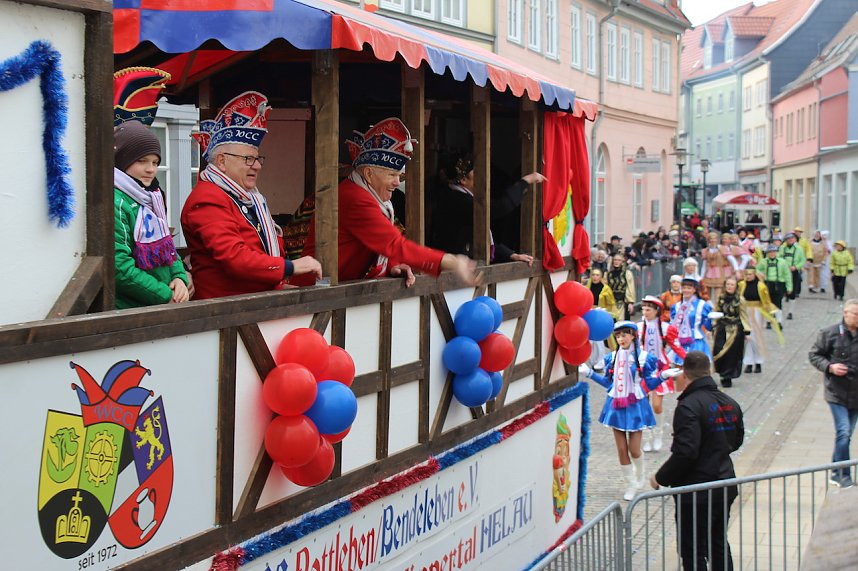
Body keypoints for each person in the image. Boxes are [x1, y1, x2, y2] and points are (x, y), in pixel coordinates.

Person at [298, 118, 478, 288]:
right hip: (313, 293)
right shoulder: (356, 199)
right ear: (368, 174)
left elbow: (383, 243)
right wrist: (452, 261)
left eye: (399, 176)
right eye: (392, 175)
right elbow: (393, 244)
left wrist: (393, 264)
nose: (397, 183)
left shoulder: (359, 192)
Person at [181, 92, 322, 299]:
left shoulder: (242, 196)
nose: (256, 166)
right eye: (248, 159)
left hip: (251, 304)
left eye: (257, 159)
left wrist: (278, 284)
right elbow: (235, 259)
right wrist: (290, 267)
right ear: (221, 161)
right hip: (225, 313)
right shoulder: (207, 198)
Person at [651, 351, 744, 571]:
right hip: (724, 483)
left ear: (685, 374)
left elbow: (686, 452)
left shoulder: (688, 406)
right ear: (709, 372)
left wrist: (660, 477)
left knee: (693, 550)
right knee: (717, 542)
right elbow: (737, 440)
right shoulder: (729, 402)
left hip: (695, 491)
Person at [578, 321, 670, 500]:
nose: (621, 339)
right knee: (621, 449)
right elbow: (608, 383)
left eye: (624, 335)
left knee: (634, 449)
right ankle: (631, 484)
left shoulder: (644, 358)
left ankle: (640, 475)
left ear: (633, 335)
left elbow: (649, 384)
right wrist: (590, 373)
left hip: (636, 404)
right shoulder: (611, 358)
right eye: (618, 336)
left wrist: (663, 376)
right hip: (616, 404)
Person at [113, 120, 190, 309]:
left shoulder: (152, 196)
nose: (151, 169)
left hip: (158, 304)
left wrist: (179, 277)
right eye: (142, 161)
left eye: (155, 162)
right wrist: (165, 294)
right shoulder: (116, 201)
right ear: (122, 159)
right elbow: (119, 267)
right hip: (131, 310)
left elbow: (167, 245)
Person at [428, 154, 542, 265]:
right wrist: (526, 181)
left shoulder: (457, 196)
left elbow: (480, 237)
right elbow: (498, 208)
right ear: (463, 180)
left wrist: (511, 255)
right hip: (454, 268)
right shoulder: (456, 199)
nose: (481, 175)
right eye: (475, 172)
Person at [808, 299, 858, 488]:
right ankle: (844, 475)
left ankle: (836, 470)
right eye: (855, 314)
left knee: (846, 435)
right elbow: (814, 355)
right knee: (843, 432)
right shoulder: (830, 333)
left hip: (856, 394)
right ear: (845, 313)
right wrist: (830, 367)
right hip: (836, 392)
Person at [638, 296, 686, 452]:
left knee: (656, 405)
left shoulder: (666, 328)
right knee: (643, 404)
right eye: (643, 309)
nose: (645, 312)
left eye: (648, 310)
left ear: (656, 310)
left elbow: (677, 347)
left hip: (660, 368)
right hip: (643, 369)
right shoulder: (638, 328)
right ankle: (646, 436)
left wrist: (689, 360)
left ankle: (658, 433)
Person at [739, 267, 781, 374]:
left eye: (750, 274)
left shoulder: (761, 286)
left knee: (757, 337)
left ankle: (758, 362)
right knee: (747, 338)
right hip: (745, 311)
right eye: (746, 274)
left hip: (757, 312)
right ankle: (748, 362)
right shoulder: (741, 285)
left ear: (754, 274)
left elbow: (766, 301)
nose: (748, 276)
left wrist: (770, 314)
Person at [711, 276, 749, 388]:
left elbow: (743, 315)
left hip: (735, 330)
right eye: (727, 284)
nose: (729, 287)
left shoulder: (740, 300)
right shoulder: (721, 297)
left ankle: (727, 376)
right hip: (722, 327)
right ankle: (721, 371)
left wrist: (747, 331)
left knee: (732, 354)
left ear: (736, 287)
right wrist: (713, 323)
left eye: (732, 285)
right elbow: (716, 310)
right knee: (718, 350)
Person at [670, 278, 713, 359]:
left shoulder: (702, 305)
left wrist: (712, 321)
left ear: (694, 290)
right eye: (684, 288)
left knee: (697, 366)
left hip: (696, 340)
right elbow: (672, 325)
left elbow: (708, 326)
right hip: (680, 342)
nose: (686, 290)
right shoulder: (676, 307)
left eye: (689, 288)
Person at [755, 244, 792, 329]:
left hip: (779, 284)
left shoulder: (782, 262)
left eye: (774, 252)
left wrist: (789, 287)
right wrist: (760, 274)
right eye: (770, 252)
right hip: (767, 283)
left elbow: (787, 275)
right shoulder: (764, 262)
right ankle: (768, 321)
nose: (772, 254)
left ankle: (779, 321)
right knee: (768, 303)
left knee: (778, 303)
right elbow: (757, 269)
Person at [700, 231, 736, 301]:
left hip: (719, 273)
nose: (713, 240)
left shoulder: (722, 248)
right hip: (708, 274)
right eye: (711, 239)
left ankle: (717, 309)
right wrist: (701, 277)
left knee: (718, 296)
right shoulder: (706, 250)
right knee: (707, 296)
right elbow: (704, 265)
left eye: (714, 238)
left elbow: (732, 259)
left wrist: (736, 269)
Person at [779, 232, 806, 319]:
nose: (790, 240)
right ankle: (780, 310)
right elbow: (779, 257)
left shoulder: (799, 249)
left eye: (792, 239)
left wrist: (796, 267)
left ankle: (790, 311)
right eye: (788, 239)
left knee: (792, 292)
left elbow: (802, 260)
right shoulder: (782, 248)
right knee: (781, 291)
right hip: (783, 272)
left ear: (794, 239)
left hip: (794, 272)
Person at [607, 254, 636, 320]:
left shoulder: (627, 273)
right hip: (611, 302)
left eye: (619, 260)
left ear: (622, 262)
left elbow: (630, 288)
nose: (616, 262)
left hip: (623, 301)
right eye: (615, 260)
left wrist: (630, 302)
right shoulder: (609, 274)